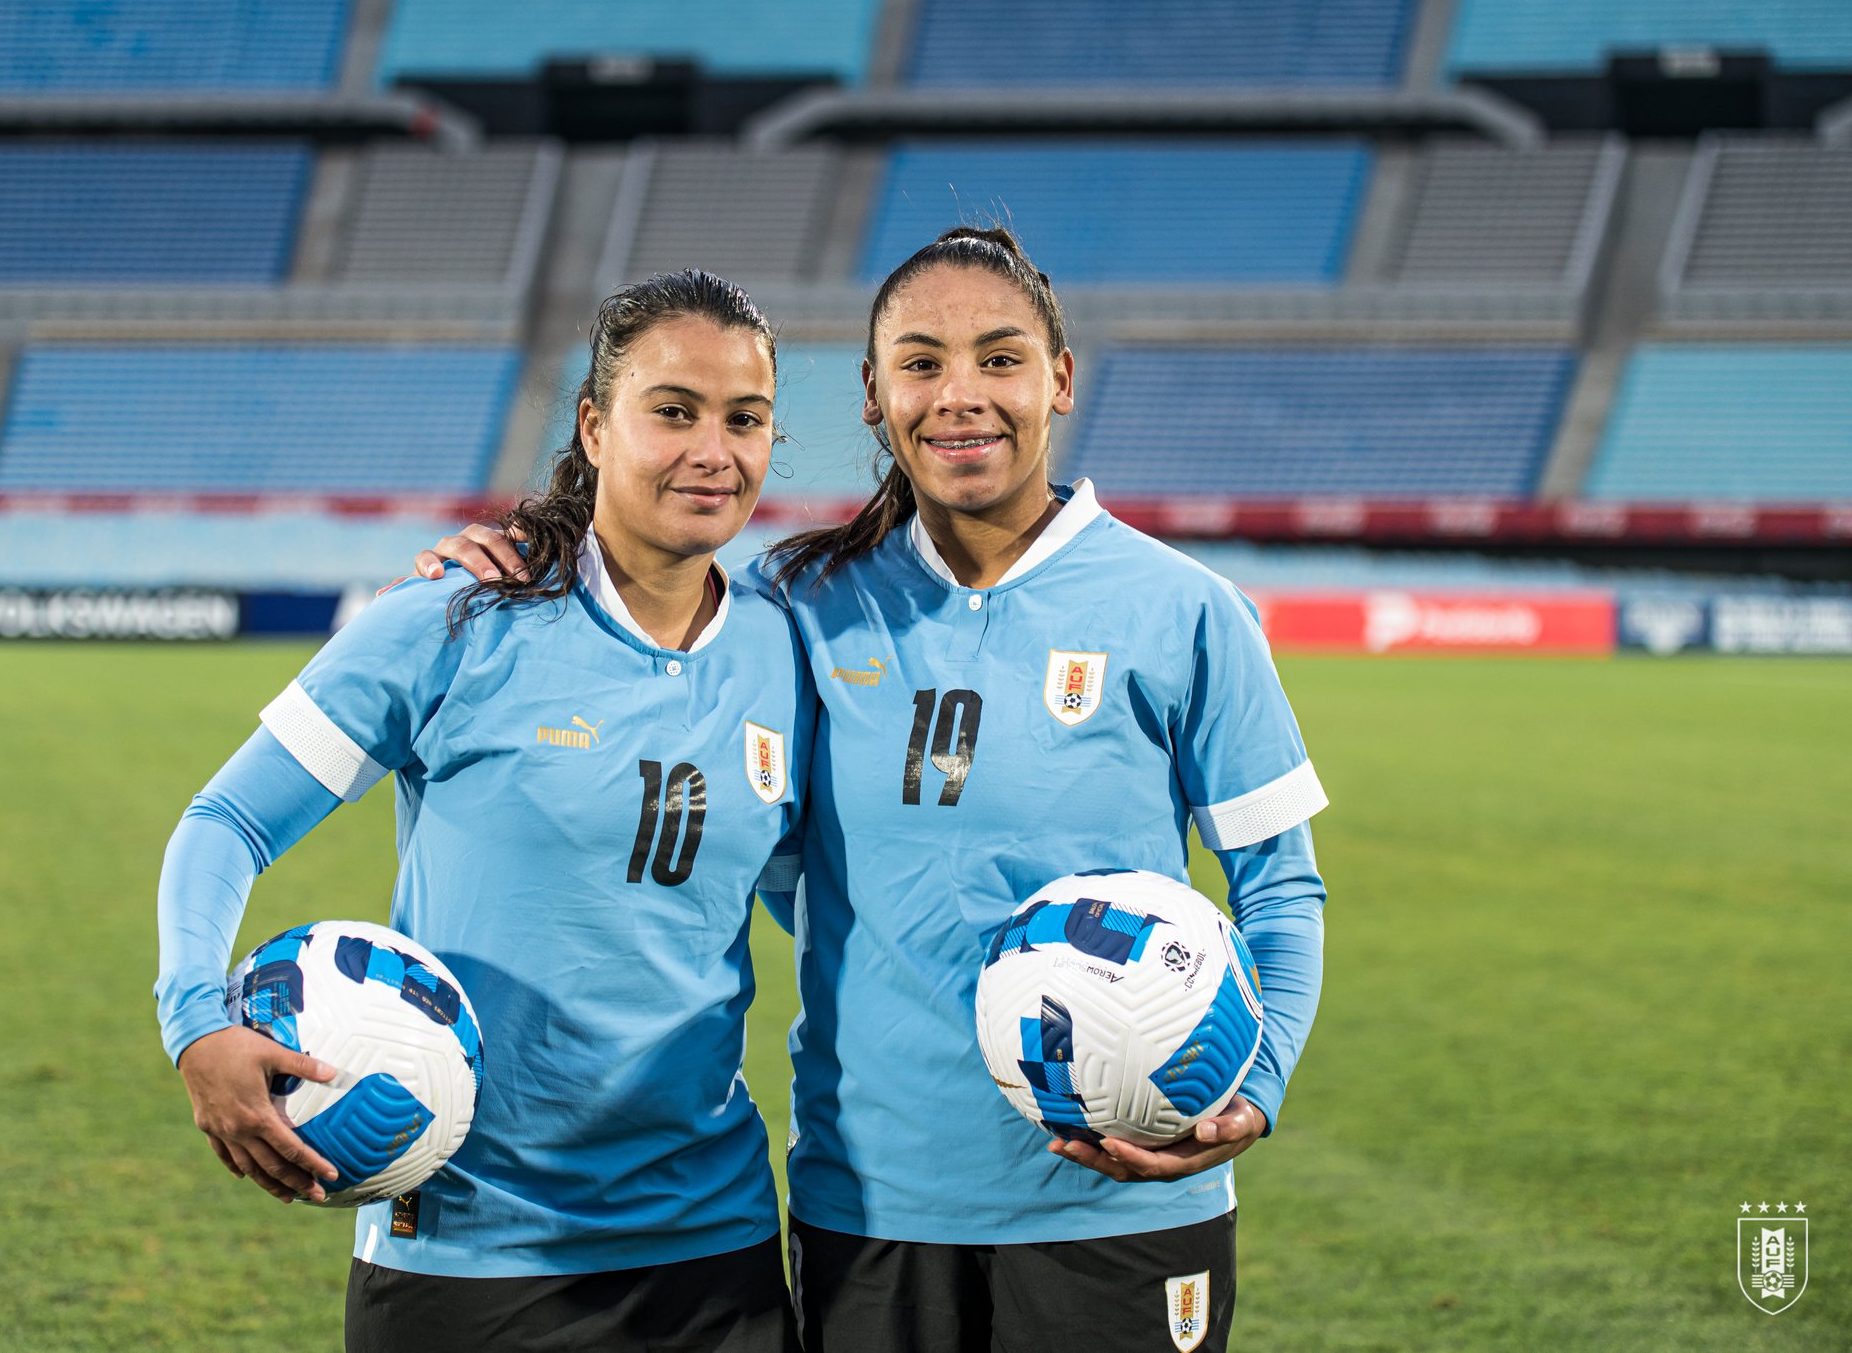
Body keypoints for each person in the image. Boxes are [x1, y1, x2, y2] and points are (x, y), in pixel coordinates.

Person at [416, 228, 1328, 1353]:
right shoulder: (798, 604)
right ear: (869, 393)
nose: (960, 396)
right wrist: (528, 560)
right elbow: (758, 822)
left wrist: (1259, 1076)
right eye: (919, 361)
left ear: (1060, 377)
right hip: (871, 1203)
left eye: (999, 359)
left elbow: (1279, 885)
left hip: (1122, 1197)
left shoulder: (1185, 610)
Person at [156, 270, 812, 1353]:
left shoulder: (781, 656)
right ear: (596, 427)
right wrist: (194, 1021)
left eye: (745, 419)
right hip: (466, 1248)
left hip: (712, 1250)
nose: (714, 449)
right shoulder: (453, 623)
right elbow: (228, 820)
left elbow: (823, 911)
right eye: (673, 411)